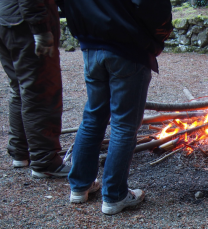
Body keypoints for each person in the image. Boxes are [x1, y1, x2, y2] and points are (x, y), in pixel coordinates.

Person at [64, 0, 173, 215]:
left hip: (91, 45)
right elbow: (155, 7)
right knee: (124, 124)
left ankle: (80, 186)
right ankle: (115, 196)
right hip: (127, 47)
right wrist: (158, 37)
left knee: (93, 117)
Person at [0, 0, 70, 177]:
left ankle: (20, 151)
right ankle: (45, 161)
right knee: (41, 90)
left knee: (19, 86)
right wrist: (40, 28)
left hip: (6, 18)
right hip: (25, 24)